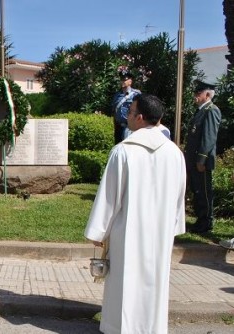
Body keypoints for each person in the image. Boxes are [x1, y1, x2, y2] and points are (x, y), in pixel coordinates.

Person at [84, 93, 186, 334]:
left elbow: (110, 196)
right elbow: (179, 197)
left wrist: (98, 231)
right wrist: (174, 226)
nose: (127, 117)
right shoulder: (174, 153)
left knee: (125, 283)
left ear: (140, 118)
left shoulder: (123, 151)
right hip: (160, 233)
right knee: (154, 283)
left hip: (127, 232)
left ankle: (121, 328)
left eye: (130, 113)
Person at [185, 80, 222, 234]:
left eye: (198, 93)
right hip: (193, 159)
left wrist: (201, 159)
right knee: (197, 190)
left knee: (204, 191)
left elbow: (209, 137)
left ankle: (206, 222)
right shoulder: (201, 110)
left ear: (207, 94)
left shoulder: (211, 110)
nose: (195, 96)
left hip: (202, 161)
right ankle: (201, 220)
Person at [111, 70, 141, 144]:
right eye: (121, 80)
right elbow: (114, 110)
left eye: (125, 80)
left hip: (129, 127)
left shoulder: (136, 94)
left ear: (130, 81)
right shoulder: (117, 95)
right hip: (118, 127)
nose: (122, 82)